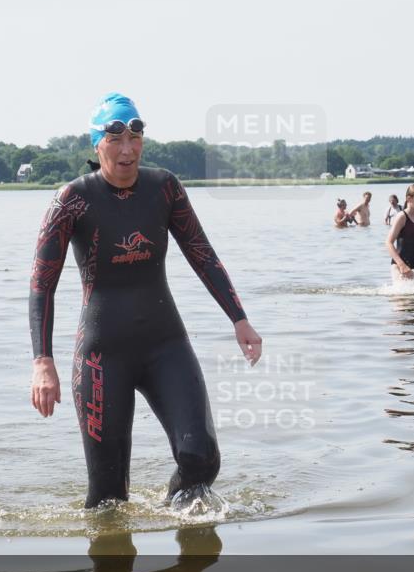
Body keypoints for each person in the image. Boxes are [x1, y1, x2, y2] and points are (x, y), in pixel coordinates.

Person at [29, 92, 263, 509]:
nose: (126, 148)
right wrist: (42, 362)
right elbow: (41, 284)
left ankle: (177, 523)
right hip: (101, 357)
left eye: (135, 135)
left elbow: (201, 253)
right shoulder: (72, 201)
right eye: (115, 137)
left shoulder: (165, 188)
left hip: (165, 344)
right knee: (108, 497)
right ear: (96, 144)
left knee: (201, 458)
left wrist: (239, 318)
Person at [385, 184, 414, 283]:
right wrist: (402, 265)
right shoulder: (402, 217)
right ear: (409, 198)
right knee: (403, 298)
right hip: (399, 268)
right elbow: (388, 242)